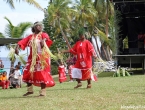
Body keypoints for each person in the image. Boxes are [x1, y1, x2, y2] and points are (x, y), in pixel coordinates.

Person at [15, 22, 55, 96]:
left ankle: (43, 91)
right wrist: (17, 47)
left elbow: (46, 38)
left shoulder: (43, 34)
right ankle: (30, 90)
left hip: (43, 57)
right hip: (33, 58)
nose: (40, 27)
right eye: (38, 25)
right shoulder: (31, 36)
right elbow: (22, 42)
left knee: (42, 73)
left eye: (41, 25)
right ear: (34, 27)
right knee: (27, 72)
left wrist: (43, 41)